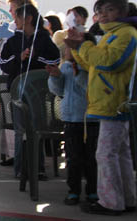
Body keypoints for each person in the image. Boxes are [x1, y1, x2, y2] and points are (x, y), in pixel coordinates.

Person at [66, 0, 136, 216]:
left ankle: (110, 202)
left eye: (110, 10)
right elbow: (94, 64)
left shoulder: (126, 34)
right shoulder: (111, 34)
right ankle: (126, 198)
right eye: (100, 11)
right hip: (108, 102)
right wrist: (77, 51)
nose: (104, 15)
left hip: (113, 103)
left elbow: (109, 62)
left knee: (105, 155)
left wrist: (82, 47)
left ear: (123, 11)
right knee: (120, 154)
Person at [0, 3, 60, 179]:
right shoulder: (13, 40)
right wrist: (19, 58)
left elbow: (55, 58)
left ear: (29, 18)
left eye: (17, 17)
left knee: (37, 128)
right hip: (18, 91)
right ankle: (21, 169)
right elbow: (4, 62)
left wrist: (35, 58)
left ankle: (38, 168)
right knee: (20, 130)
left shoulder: (44, 38)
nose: (15, 21)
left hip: (39, 93)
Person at [47, 43, 98, 206]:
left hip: (91, 120)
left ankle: (93, 190)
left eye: (71, 47)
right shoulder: (66, 67)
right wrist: (55, 76)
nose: (66, 50)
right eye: (67, 48)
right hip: (70, 120)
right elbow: (59, 91)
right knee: (73, 157)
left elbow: (89, 88)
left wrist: (78, 72)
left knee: (92, 157)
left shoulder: (90, 67)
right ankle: (73, 191)